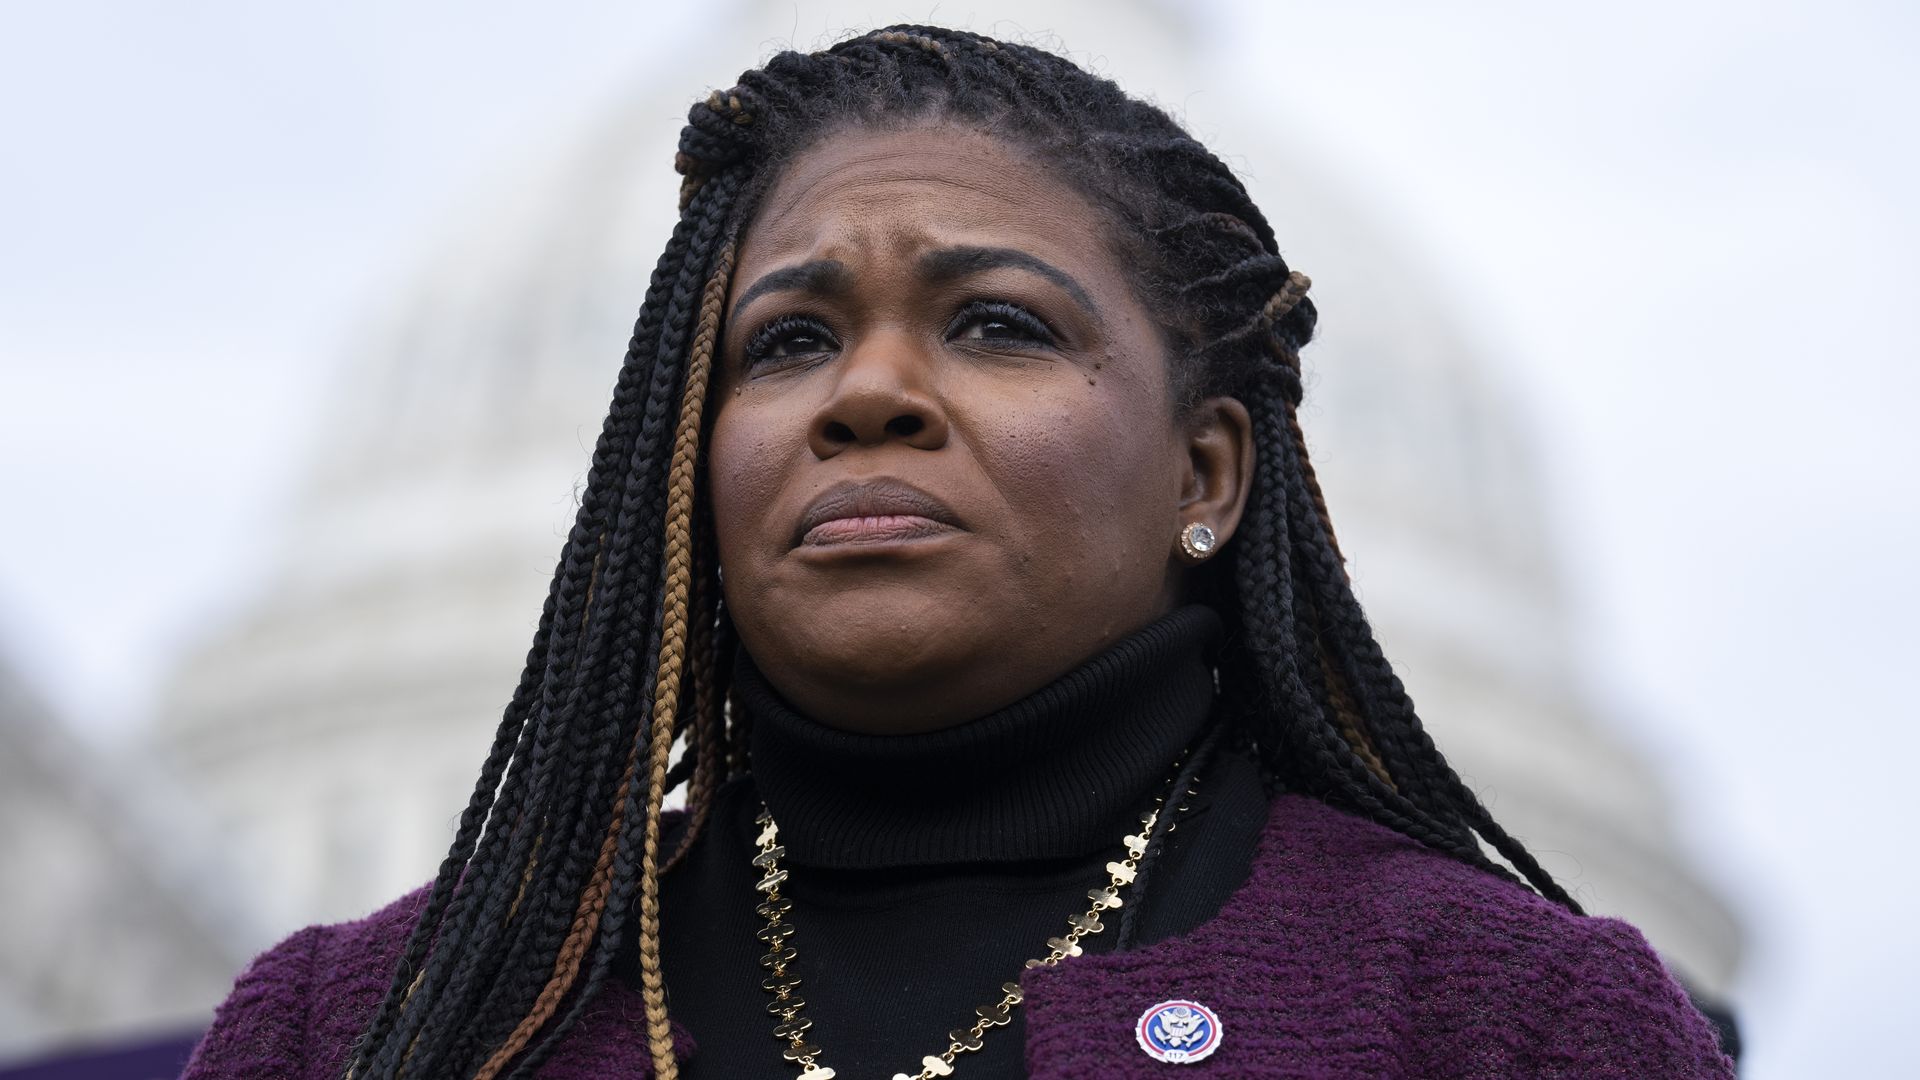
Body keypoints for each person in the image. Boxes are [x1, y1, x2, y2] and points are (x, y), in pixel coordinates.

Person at [182, 25, 1735, 1080]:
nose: (866, 393)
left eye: (997, 324)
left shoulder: (1498, 1024)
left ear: (1208, 467)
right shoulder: (362, 1033)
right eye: (785, 341)